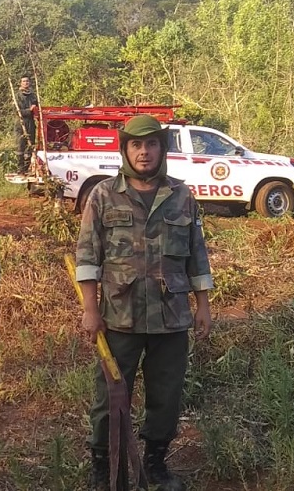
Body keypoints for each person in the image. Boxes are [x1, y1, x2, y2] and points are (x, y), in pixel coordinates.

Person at [73, 115, 213, 491]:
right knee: (110, 398)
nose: (144, 152)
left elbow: (197, 254)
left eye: (151, 144)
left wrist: (203, 305)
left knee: (166, 396)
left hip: (172, 317)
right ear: (125, 151)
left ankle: (155, 464)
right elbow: (87, 256)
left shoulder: (182, 195)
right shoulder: (103, 195)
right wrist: (90, 309)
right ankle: (105, 468)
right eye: (136, 145)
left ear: (161, 150)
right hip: (119, 316)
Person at [13, 76, 38, 174]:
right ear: (20, 83)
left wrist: (35, 110)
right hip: (21, 123)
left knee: (30, 146)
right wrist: (29, 110)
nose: (26, 82)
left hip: (31, 123)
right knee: (20, 146)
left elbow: (36, 108)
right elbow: (18, 111)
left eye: (27, 81)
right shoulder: (18, 96)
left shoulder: (33, 96)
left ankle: (27, 168)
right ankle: (20, 169)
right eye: (23, 81)